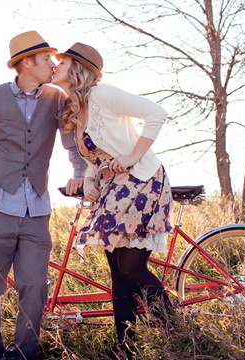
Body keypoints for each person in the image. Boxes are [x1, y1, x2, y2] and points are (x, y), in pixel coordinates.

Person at [0, 31, 86, 360]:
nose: (53, 64)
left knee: (34, 289)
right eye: (46, 59)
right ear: (27, 62)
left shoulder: (57, 99)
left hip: (37, 211)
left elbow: (73, 147)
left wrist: (80, 176)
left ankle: (22, 356)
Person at [51, 43, 176, 349]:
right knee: (118, 274)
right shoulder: (74, 109)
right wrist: (91, 182)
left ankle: (179, 333)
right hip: (115, 189)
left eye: (61, 61)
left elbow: (156, 113)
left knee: (132, 267)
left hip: (144, 182)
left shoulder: (102, 95)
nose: (54, 65)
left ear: (78, 68)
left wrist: (133, 155)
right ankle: (124, 347)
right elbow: (97, 157)